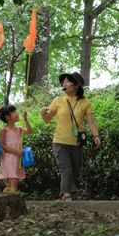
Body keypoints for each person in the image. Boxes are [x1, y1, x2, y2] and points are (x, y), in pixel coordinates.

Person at [41, 72, 101, 201]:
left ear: (76, 85)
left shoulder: (85, 102)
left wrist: (96, 135)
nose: (64, 84)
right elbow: (47, 119)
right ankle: (66, 194)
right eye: (63, 82)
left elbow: (91, 121)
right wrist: (43, 113)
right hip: (60, 141)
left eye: (67, 81)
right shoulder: (58, 100)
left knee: (74, 170)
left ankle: (68, 193)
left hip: (77, 142)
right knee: (66, 168)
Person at [0, 105, 32, 193]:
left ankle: (9, 193)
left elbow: (29, 131)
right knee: (12, 177)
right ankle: (12, 193)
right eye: (14, 112)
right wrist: (16, 151)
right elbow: (2, 145)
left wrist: (25, 119)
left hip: (17, 157)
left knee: (15, 177)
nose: (16, 113)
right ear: (7, 117)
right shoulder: (4, 130)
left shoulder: (19, 128)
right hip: (8, 157)